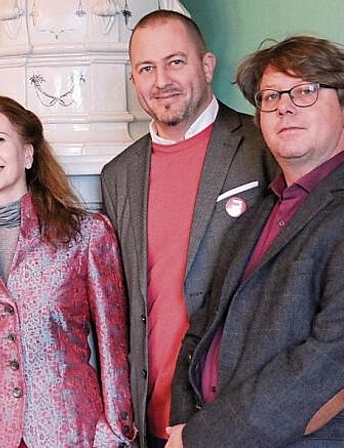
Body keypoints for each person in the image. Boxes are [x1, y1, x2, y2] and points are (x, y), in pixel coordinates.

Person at [100, 10, 279, 448]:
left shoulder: (263, 145)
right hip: (149, 417)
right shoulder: (118, 174)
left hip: (232, 412)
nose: (161, 80)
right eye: (146, 68)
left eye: (175, 62)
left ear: (207, 65)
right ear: (134, 79)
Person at [0, 92, 135, 447]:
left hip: (70, 429)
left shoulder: (87, 235)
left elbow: (113, 348)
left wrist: (117, 431)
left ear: (27, 153)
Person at [167, 35, 344, 447]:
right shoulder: (259, 211)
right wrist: (182, 424)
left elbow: (329, 360)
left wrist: (203, 437)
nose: (284, 106)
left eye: (305, 91)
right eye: (270, 97)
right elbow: (203, 328)